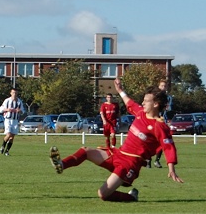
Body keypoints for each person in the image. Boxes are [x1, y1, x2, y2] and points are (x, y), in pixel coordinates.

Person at [49, 78, 184, 202]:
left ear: (155, 104)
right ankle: (61, 164)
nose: (142, 103)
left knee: (102, 194)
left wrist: (171, 168)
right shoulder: (141, 113)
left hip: (130, 164)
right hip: (118, 154)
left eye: (146, 101)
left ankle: (131, 197)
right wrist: (120, 90)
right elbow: (129, 103)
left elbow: (168, 147)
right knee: (86, 151)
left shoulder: (159, 125)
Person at [145, 79, 173, 168]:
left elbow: (169, 110)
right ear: (158, 86)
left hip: (161, 121)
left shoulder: (168, 98)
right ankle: (148, 160)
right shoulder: (153, 96)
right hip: (152, 121)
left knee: (162, 142)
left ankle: (157, 160)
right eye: (161, 86)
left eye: (165, 86)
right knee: (150, 141)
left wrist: (168, 120)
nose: (163, 88)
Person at [0, 88, 25, 156]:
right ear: (10, 93)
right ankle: (3, 146)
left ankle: (7, 151)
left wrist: (20, 111)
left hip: (15, 120)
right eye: (13, 92)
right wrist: (7, 109)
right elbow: (1, 109)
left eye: (16, 93)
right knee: (9, 134)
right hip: (8, 120)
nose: (14, 94)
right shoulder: (7, 101)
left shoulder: (19, 102)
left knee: (12, 137)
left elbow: (23, 111)